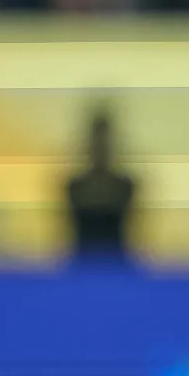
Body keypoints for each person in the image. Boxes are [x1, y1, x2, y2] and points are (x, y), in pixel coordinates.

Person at [63, 103, 137, 262]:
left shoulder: (126, 186)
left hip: (117, 264)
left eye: (105, 142)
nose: (101, 147)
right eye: (97, 142)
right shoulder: (74, 187)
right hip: (82, 264)